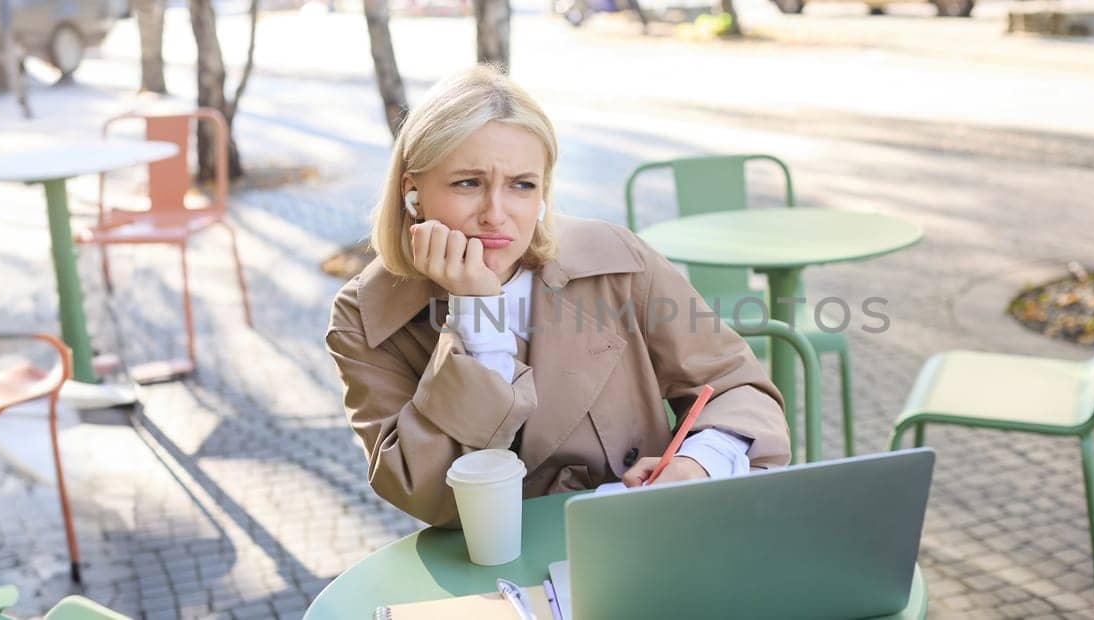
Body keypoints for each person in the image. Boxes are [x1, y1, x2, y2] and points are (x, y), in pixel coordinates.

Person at [326, 65, 790, 528]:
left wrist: (695, 466)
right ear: (413, 193)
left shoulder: (617, 261)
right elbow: (426, 493)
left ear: (543, 192)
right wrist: (477, 311)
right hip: (487, 563)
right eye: (467, 182)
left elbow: (737, 388)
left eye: (522, 185)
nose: (496, 214)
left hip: (640, 534)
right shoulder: (364, 314)